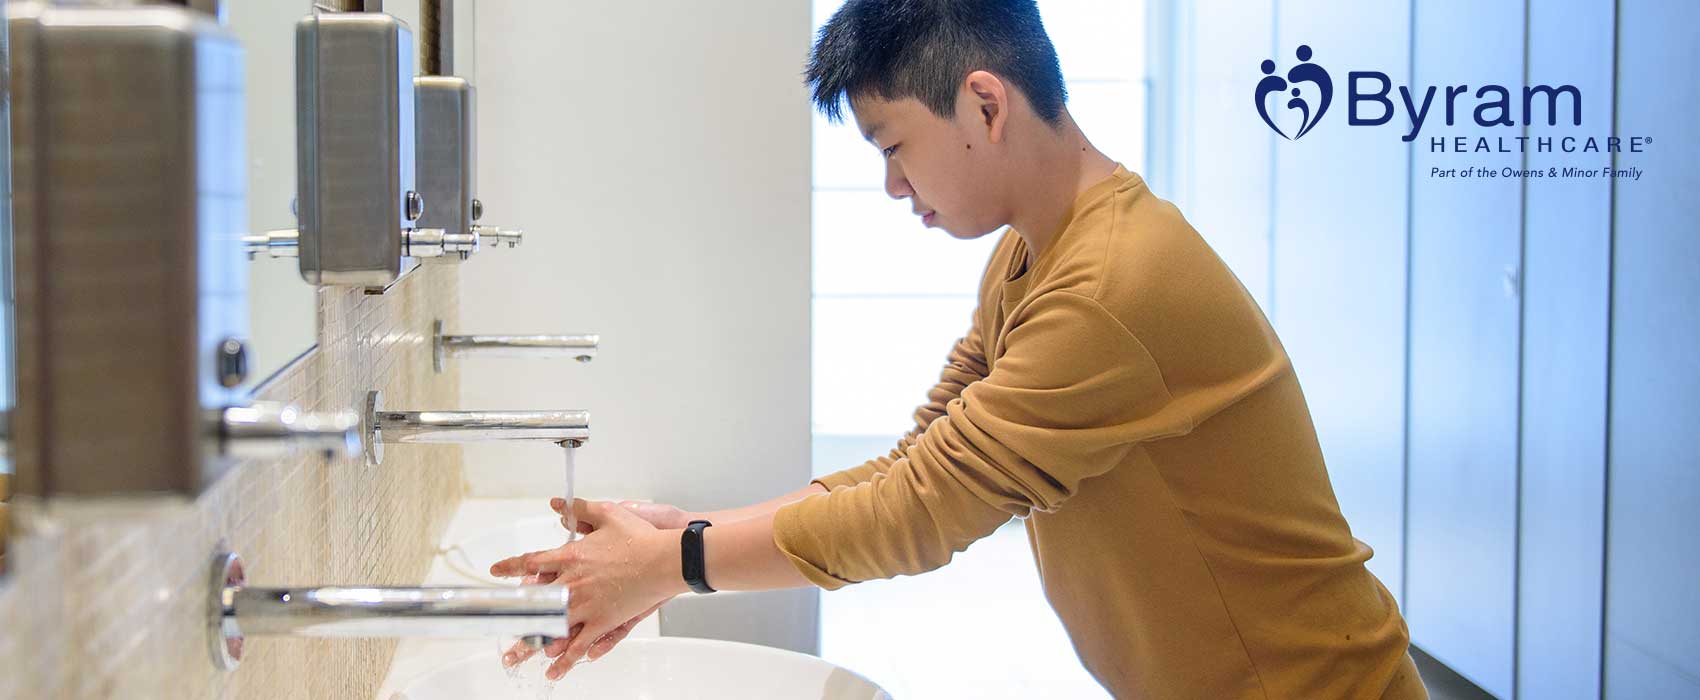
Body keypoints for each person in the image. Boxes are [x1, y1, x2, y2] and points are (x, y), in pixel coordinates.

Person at [493, 1, 1429, 697]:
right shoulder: (1035, 254)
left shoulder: (1109, 287)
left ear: (985, 104)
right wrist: (681, 538)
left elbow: (919, 511)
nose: (894, 186)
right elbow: (916, 464)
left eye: (894, 144)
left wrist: (680, 563)